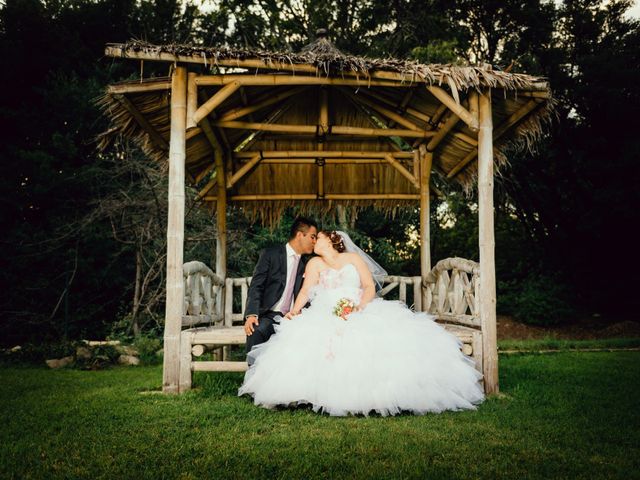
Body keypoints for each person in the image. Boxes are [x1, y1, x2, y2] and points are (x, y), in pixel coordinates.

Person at [238, 230, 485, 416]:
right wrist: (293, 311)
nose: (315, 242)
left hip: (359, 306)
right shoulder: (314, 263)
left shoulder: (353, 259)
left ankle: (385, 396)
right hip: (325, 311)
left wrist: (358, 307)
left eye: (319, 238)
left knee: (375, 341)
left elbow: (368, 287)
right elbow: (304, 292)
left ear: (331, 241)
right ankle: (303, 394)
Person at [243, 217, 318, 360]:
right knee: (257, 330)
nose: (315, 241)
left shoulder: (308, 264)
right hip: (270, 313)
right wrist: (252, 314)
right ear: (300, 234)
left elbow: (307, 292)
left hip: (294, 318)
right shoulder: (271, 254)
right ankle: (254, 379)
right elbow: (256, 286)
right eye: (312, 237)